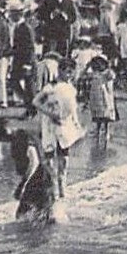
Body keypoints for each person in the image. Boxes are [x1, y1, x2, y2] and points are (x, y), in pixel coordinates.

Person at [34, 57, 85, 196]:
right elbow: (36, 102)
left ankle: (63, 189)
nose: (69, 75)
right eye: (66, 72)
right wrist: (51, 113)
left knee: (64, 159)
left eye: (71, 72)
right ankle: (52, 190)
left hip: (64, 126)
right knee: (49, 160)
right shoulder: (51, 86)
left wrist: (77, 124)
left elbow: (73, 108)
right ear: (60, 70)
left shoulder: (71, 87)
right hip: (50, 126)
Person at [0, 117, 55, 222]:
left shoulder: (24, 138)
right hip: (36, 180)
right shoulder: (17, 138)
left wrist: (23, 184)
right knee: (27, 216)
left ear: (6, 130)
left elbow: (34, 162)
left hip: (42, 180)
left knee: (32, 216)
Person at [81, 55, 118, 142]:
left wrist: (108, 67)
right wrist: (87, 66)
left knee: (106, 114)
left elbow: (112, 77)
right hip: (95, 96)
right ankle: (97, 131)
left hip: (105, 96)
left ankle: (106, 132)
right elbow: (83, 75)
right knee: (97, 115)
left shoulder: (107, 73)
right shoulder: (94, 74)